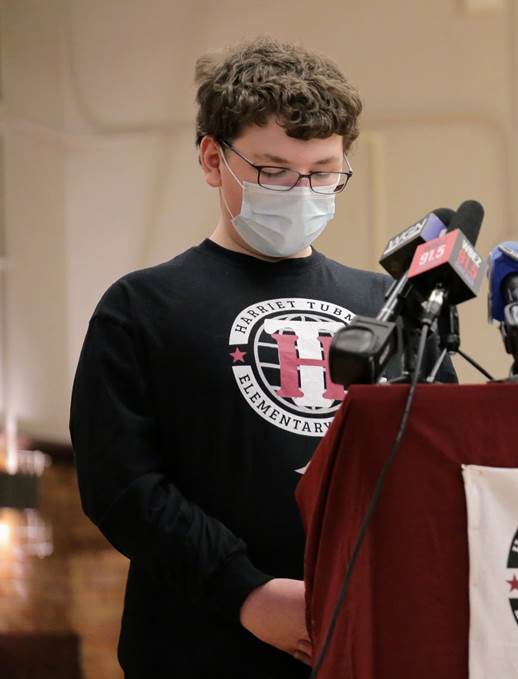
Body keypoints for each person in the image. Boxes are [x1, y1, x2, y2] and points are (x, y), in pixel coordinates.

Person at [70, 37, 453, 678]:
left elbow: (435, 469)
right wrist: (244, 589)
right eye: (274, 171)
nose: (302, 192)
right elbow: (122, 485)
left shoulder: (388, 304)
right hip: (201, 648)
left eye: (324, 171)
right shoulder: (142, 307)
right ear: (212, 159)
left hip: (366, 639)